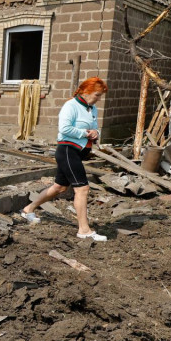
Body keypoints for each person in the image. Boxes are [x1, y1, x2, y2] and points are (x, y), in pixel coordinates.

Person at [19, 77, 109, 241]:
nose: (99, 99)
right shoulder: (71, 106)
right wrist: (85, 133)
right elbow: (64, 129)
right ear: (86, 91)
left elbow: (94, 128)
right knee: (82, 189)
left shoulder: (92, 108)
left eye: (100, 95)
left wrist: (97, 133)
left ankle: (28, 209)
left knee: (59, 187)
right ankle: (84, 230)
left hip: (79, 152)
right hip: (68, 150)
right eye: (97, 95)